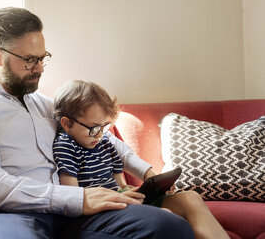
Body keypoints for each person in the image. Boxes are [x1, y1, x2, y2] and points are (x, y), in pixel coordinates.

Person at [0, 7, 196, 239]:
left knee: (171, 227)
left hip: (67, 215)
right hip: (0, 216)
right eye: (29, 60)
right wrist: (76, 198)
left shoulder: (45, 105)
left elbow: (104, 138)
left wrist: (149, 175)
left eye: (42, 58)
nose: (39, 68)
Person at [52, 80, 230, 239]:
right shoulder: (66, 146)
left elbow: (120, 186)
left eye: (104, 127)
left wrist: (139, 190)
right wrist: (120, 196)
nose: (99, 134)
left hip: (120, 201)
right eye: (93, 128)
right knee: (165, 217)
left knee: (190, 197)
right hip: (98, 210)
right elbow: (73, 196)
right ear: (67, 124)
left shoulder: (105, 143)